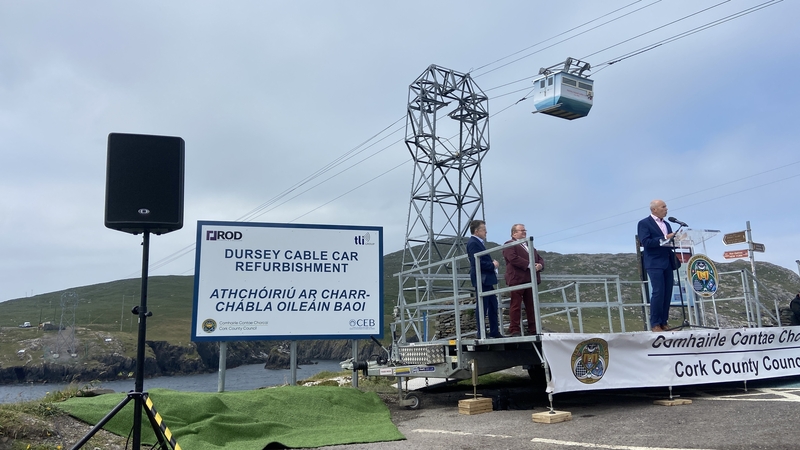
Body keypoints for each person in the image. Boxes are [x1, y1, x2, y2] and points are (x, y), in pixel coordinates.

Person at [637, 199, 680, 332]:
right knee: (658, 292)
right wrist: (665, 237)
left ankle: (664, 322)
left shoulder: (667, 224)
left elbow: (668, 242)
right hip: (654, 262)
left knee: (667, 293)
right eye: (663, 207)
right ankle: (655, 323)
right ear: (654, 209)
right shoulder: (644, 223)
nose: (666, 209)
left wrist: (678, 240)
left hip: (667, 261)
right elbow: (646, 242)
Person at [502, 224, 544, 336]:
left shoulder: (529, 246)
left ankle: (534, 329)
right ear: (514, 233)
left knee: (531, 305)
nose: (524, 232)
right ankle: (514, 329)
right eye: (521, 230)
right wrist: (530, 265)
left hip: (530, 280)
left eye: (525, 230)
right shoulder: (509, 244)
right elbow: (513, 258)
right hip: (517, 279)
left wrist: (540, 265)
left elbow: (539, 258)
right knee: (516, 305)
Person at [467, 220, 502, 338]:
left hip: (485, 279)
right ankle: (482, 332)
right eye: (484, 230)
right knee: (483, 306)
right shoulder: (473, 243)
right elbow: (476, 262)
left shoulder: (477, 242)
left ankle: (494, 331)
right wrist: (493, 265)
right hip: (482, 279)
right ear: (477, 231)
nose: (486, 232)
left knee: (492, 304)